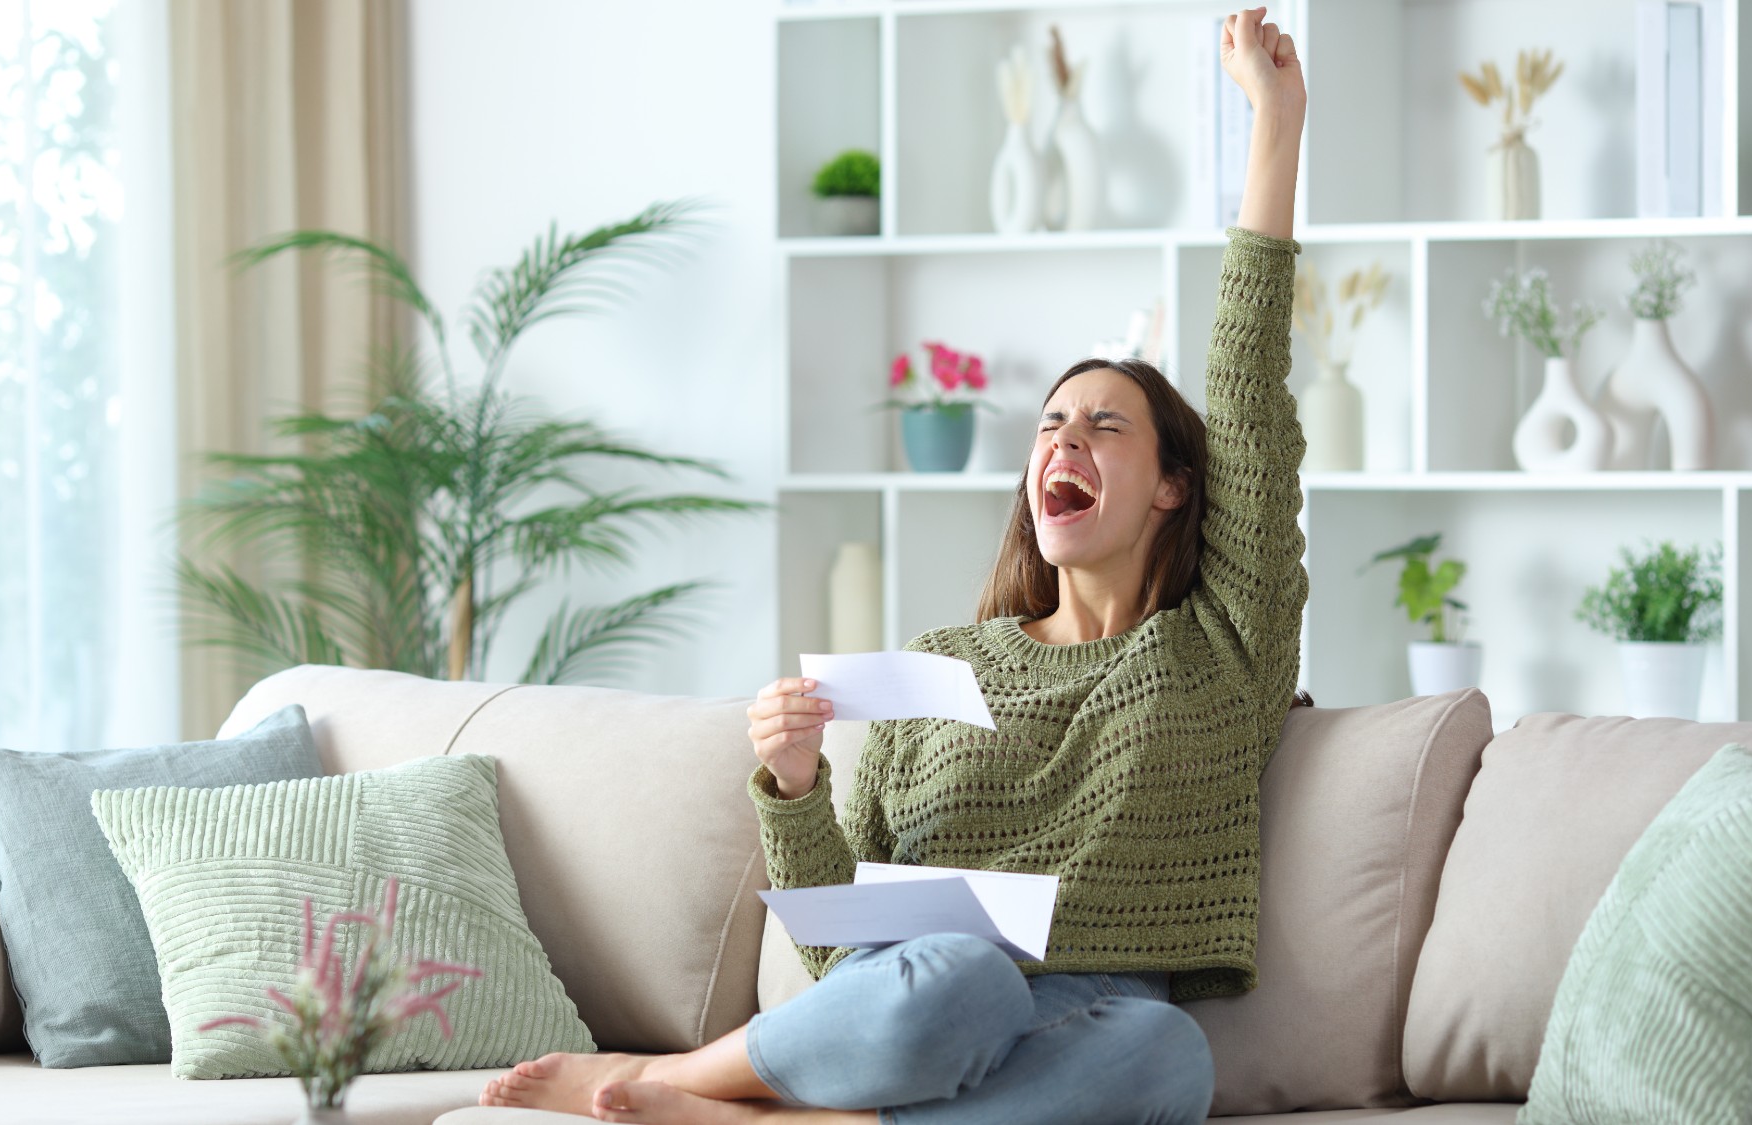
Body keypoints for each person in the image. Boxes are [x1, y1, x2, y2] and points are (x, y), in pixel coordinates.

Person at [477, 7, 1307, 1123]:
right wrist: (794, 782)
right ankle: (681, 1081)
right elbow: (835, 947)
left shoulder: (1218, 651)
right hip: (924, 995)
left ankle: (732, 1111)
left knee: (1170, 1058)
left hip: (1092, 1017)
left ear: (1172, 486)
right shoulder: (936, 669)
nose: (1061, 440)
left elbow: (1248, 399)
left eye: (1104, 427)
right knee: (957, 977)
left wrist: (1275, 123)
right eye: (1049, 423)